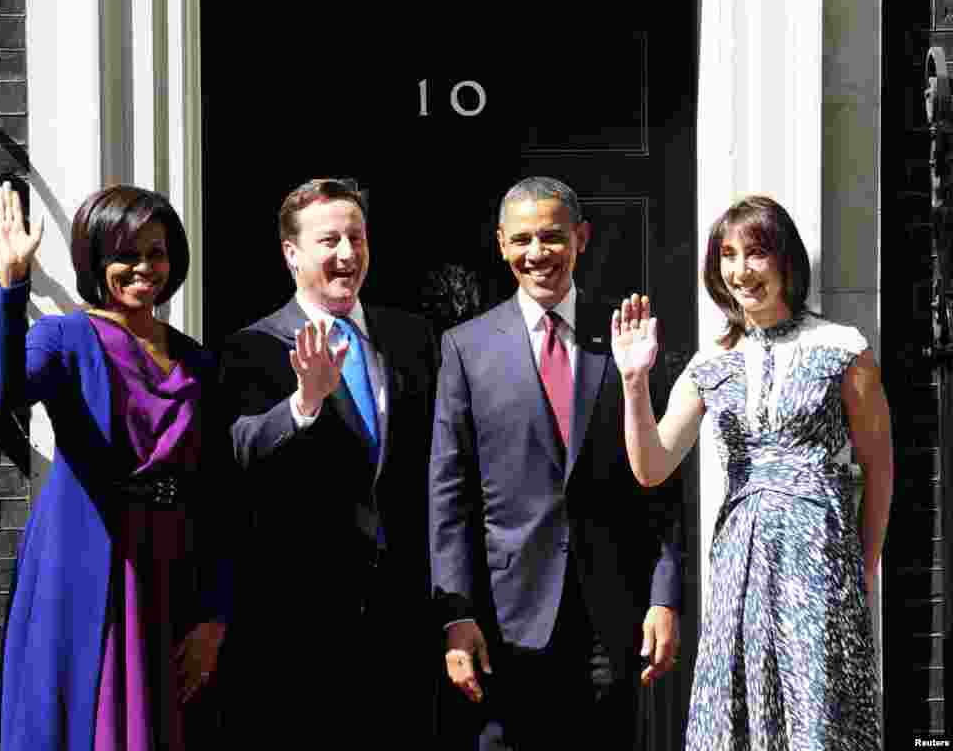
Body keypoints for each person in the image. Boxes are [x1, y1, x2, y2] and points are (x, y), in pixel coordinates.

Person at [611, 194, 892, 750]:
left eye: (756, 253)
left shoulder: (841, 347)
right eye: (728, 256)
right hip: (740, 566)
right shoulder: (710, 361)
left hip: (820, 566)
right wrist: (634, 383)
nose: (741, 271)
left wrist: (864, 567)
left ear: (786, 259)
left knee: (818, 716)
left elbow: (878, 468)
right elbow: (652, 465)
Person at [429, 176, 682, 750]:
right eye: (522, 240)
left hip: (609, 612)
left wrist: (664, 596)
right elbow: (449, 493)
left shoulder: (625, 338)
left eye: (552, 237)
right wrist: (456, 615)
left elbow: (662, 485)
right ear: (501, 244)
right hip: (503, 619)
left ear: (581, 238)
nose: (537, 253)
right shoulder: (466, 348)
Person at [0, 183, 232, 751]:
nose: (144, 267)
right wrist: (11, 280)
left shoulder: (197, 359)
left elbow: (217, 492)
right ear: (96, 260)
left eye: (157, 252)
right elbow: (1, 393)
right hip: (83, 566)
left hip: (171, 574)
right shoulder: (65, 337)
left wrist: (215, 615)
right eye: (126, 254)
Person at [217, 178, 440, 747]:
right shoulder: (253, 347)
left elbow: (441, 471)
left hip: (403, 616)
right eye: (329, 241)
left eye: (356, 238)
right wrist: (304, 403)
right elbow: (240, 450)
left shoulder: (413, 338)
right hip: (300, 622)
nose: (347, 254)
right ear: (291, 253)